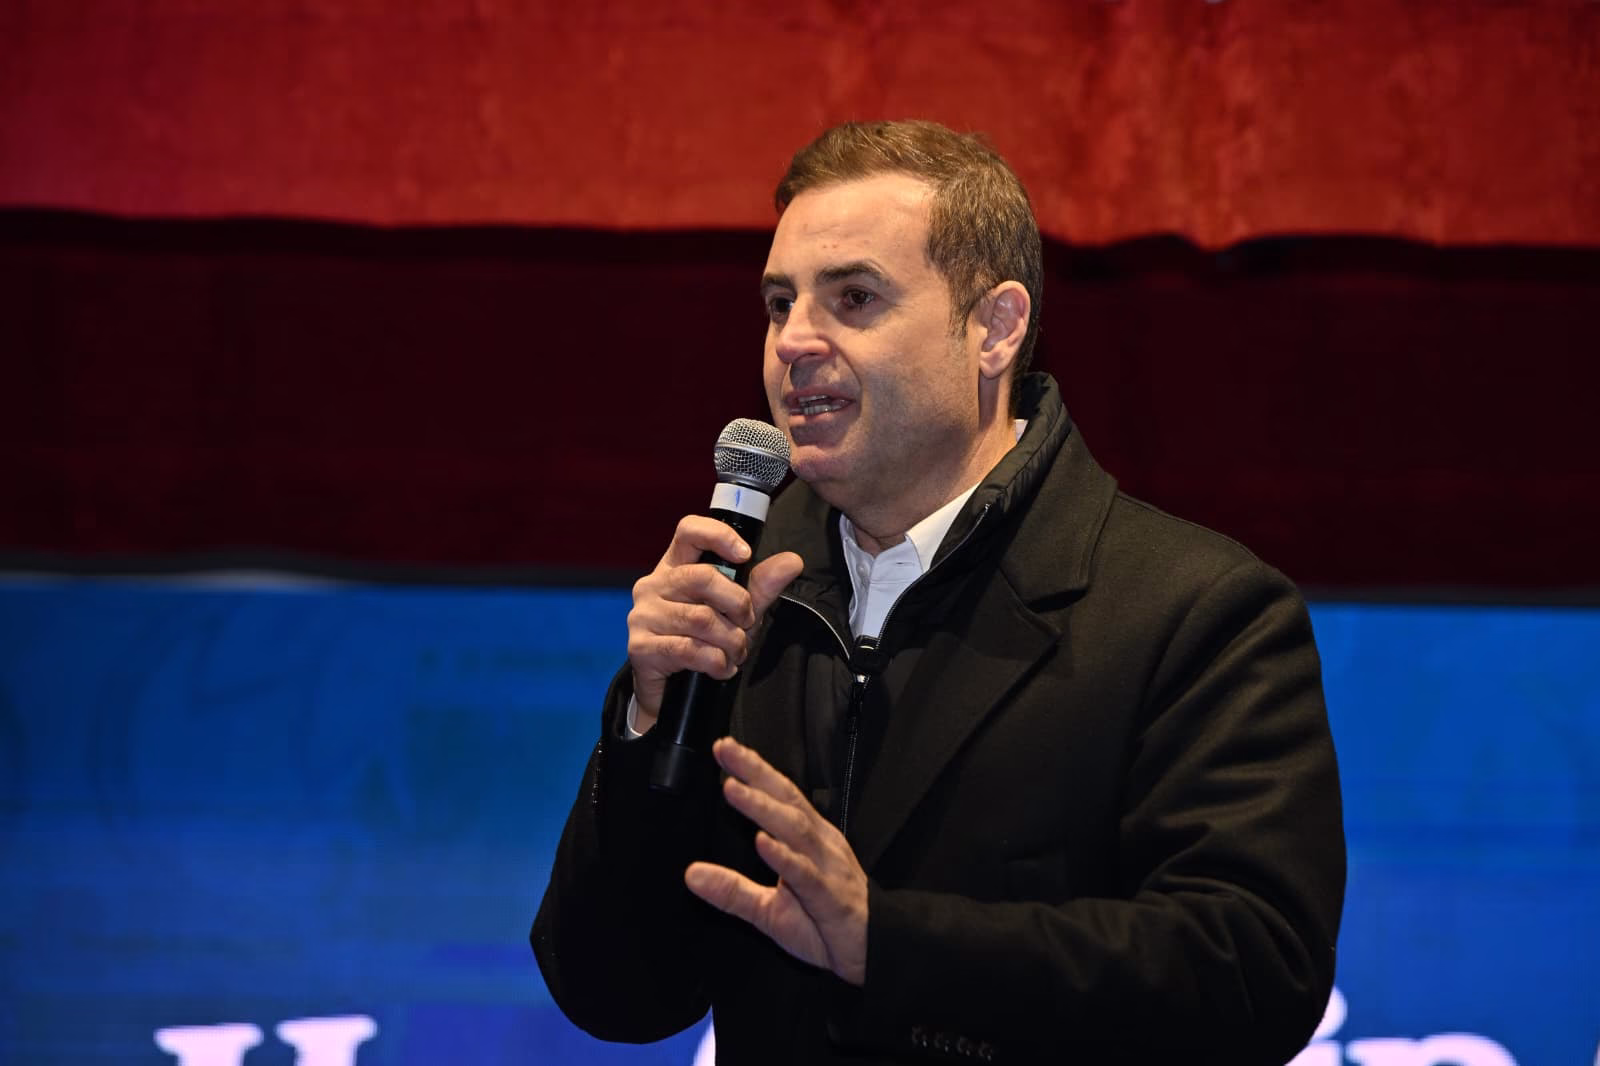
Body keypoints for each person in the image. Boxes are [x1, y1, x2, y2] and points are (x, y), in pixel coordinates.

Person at [532, 120, 1345, 1065]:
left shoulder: (1196, 611)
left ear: (994, 329)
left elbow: (1252, 974)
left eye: (854, 298)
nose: (794, 341)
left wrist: (891, 945)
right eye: (780, 302)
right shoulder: (739, 594)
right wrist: (648, 723)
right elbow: (613, 994)